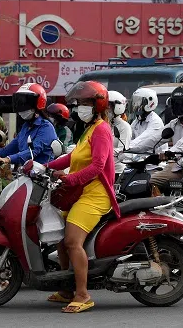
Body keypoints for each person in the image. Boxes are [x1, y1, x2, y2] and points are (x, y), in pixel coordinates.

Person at [45, 81, 118, 313]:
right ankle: (67, 289)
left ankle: (83, 294)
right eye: (79, 104)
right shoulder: (88, 129)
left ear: (98, 105)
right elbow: (71, 158)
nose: (80, 108)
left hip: (95, 194)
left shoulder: (102, 130)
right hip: (79, 192)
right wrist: (42, 166)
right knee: (59, 238)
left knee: (72, 242)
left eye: (86, 103)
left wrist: (69, 179)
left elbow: (97, 166)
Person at [0, 83, 58, 167]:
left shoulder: (46, 127)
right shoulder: (26, 127)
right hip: (25, 174)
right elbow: (7, 150)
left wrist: (7, 159)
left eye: (25, 103)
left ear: (38, 103)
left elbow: (32, 152)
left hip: (42, 176)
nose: (22, 107)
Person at [108, 91, 133, 175]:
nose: (105, 110)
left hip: (117, 170)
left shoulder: (124, 127)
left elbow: (123, 150)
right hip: (103, 167)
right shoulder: (104, 125)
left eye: (108, 107)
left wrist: (104, 152)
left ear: (117, 107)